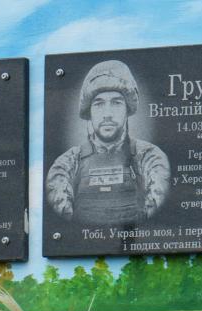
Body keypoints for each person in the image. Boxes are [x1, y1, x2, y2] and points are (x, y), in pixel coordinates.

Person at [46, 59, 171, 226]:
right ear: (89, 112)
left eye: (116, 103)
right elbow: (63, 221)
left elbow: (157, 212)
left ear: (127, 109)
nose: (107, 114)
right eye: (99, 104)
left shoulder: (149, 157)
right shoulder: (67, 163)